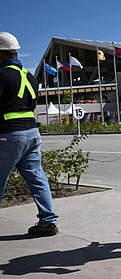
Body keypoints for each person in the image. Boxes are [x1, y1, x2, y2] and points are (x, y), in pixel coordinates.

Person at [0, 31, 59, 236]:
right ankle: (47, 222)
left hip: (8, 135)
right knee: (37, 177)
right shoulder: (30, 77)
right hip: (32, 134)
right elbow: (31, 105)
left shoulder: (2, 75)